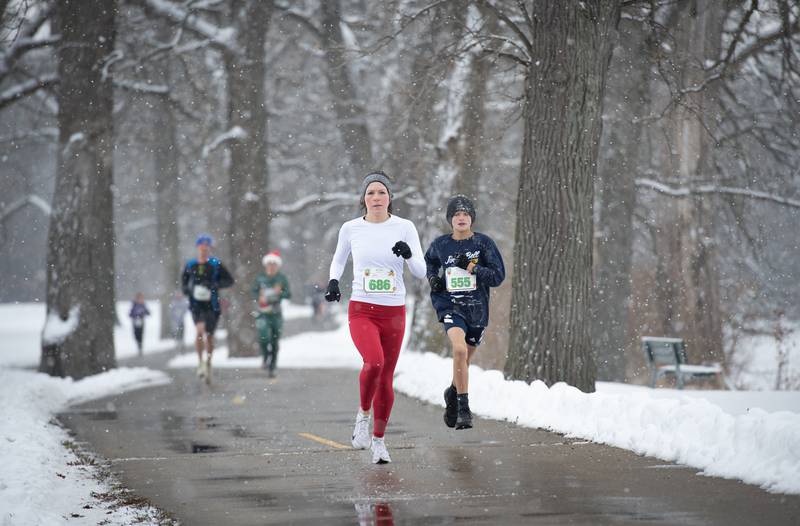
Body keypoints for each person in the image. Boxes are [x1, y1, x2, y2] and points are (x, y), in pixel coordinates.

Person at [325, 171, 426, 464]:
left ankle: (379, 441)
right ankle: (362, 415)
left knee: (385, 380)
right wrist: (333, 281)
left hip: (394, 311)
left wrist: (408, 255)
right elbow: (339, 259)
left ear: (390, 198)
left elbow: (420, 271)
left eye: (382, 192)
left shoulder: (405, 227)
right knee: (374, 362)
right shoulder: (351, 228)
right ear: (363, 199)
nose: (377, 198)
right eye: (371, 193)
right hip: (362, 309)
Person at [425, 195, 505, 430]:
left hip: (477, 310)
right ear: (450, 219)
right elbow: (430, 263)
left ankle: (452, 393)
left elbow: (497, 277)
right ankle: (464, 409)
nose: (461, 218)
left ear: (472, 219)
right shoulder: (441, 244)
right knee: (458, 349)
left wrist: (471, 266)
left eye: (465, 214)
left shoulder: (483, 244)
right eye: (457, 214)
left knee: (464, 360)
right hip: (450, 305)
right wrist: (433, 279)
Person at [181, 234, 234, 384]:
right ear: (198, 248)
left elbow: (229, 280)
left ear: (210, 248)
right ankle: (200, 362)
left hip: (212, 304)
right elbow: (184, 283)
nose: (204, 249)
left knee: (209, 336)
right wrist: (189, 290)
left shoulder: (216, 264)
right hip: (196, 304)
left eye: (207, 247)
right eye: (201, 247)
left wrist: (215, 285)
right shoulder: (190, 264)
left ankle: (209, 362)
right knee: (199, 330)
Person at [251, 250, 291, 378]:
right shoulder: (260, 278)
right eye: (269, 263)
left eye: (274, 263)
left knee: (274, 340)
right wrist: (259, 296)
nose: (271, 266)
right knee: (263, 337)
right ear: (266, 264)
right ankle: (265, 356)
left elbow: (288, 294)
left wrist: (279, 293)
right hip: (262, 312)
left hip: (276, 313)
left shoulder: (281, 278)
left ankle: (272, 366)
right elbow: (253, 291)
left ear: (278, 265)